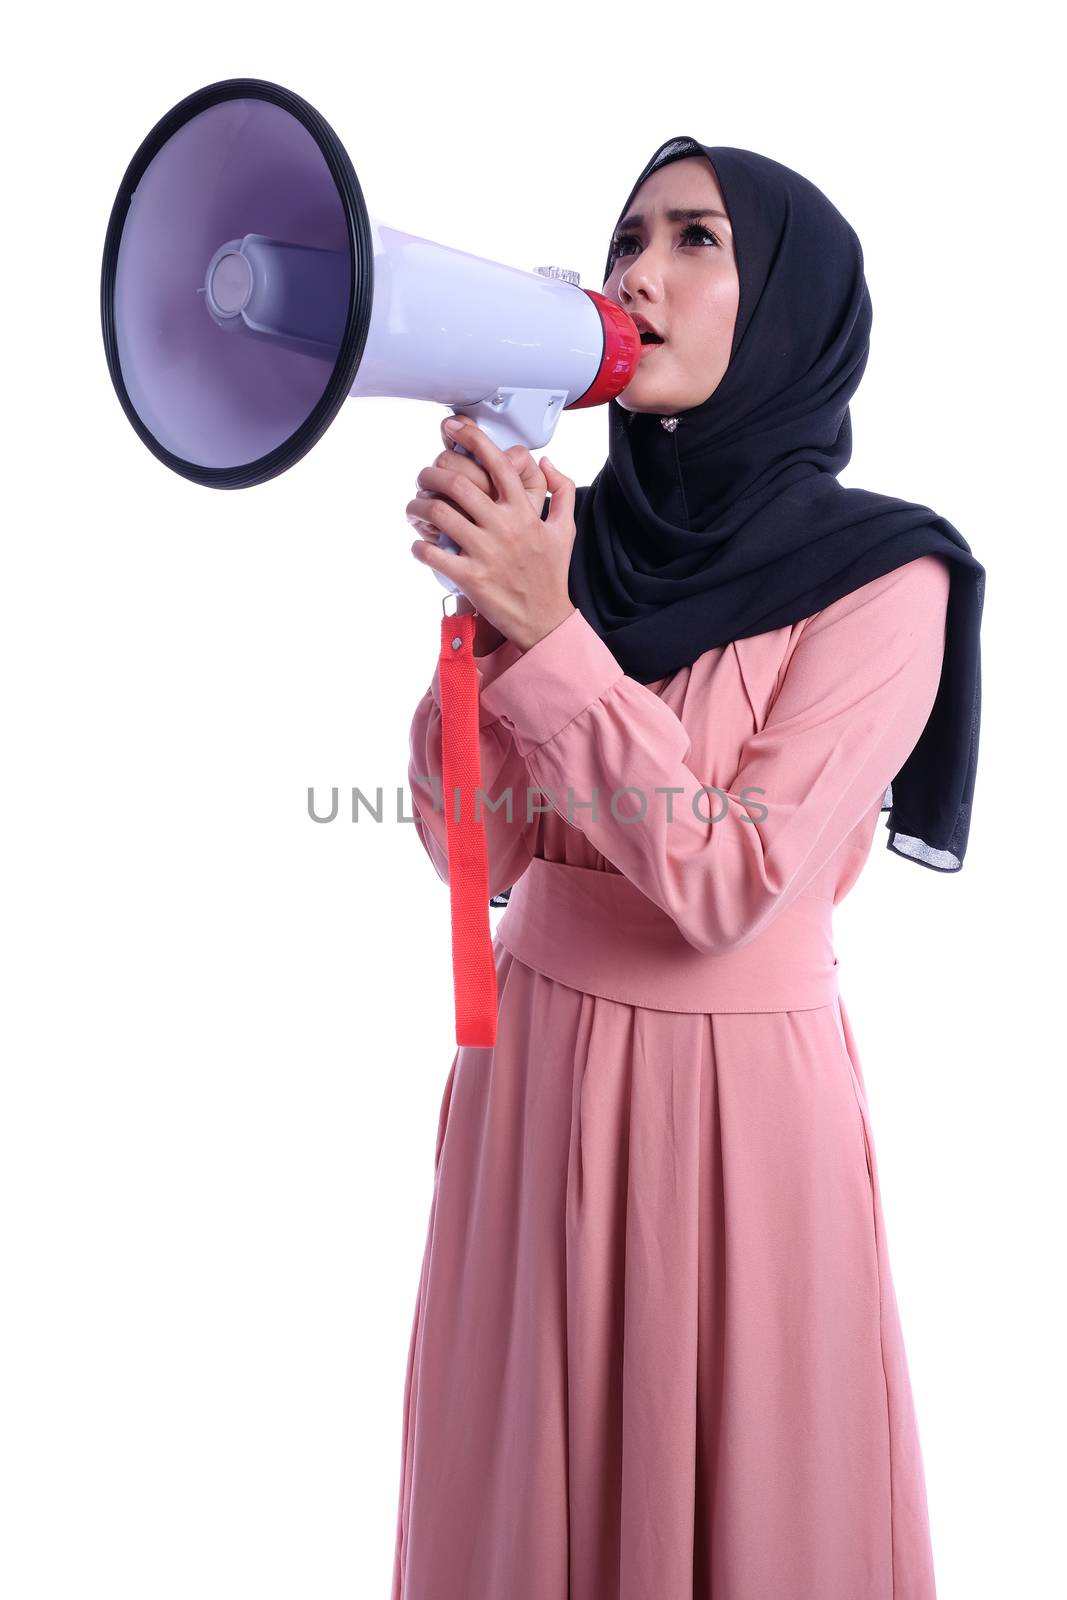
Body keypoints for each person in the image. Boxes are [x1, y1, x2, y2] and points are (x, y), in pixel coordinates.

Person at [392, 137, 984, 1600]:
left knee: (744, 1490)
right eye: (627, 236)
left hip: (733, 1111)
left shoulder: (891, 580)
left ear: (787, 305)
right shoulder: (580, 545)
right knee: (527, 1495)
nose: (635, 274)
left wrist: (559, 635)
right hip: (530, 1078)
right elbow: (479, 850)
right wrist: (487, 616)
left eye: (695, 239)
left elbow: (734, 880)